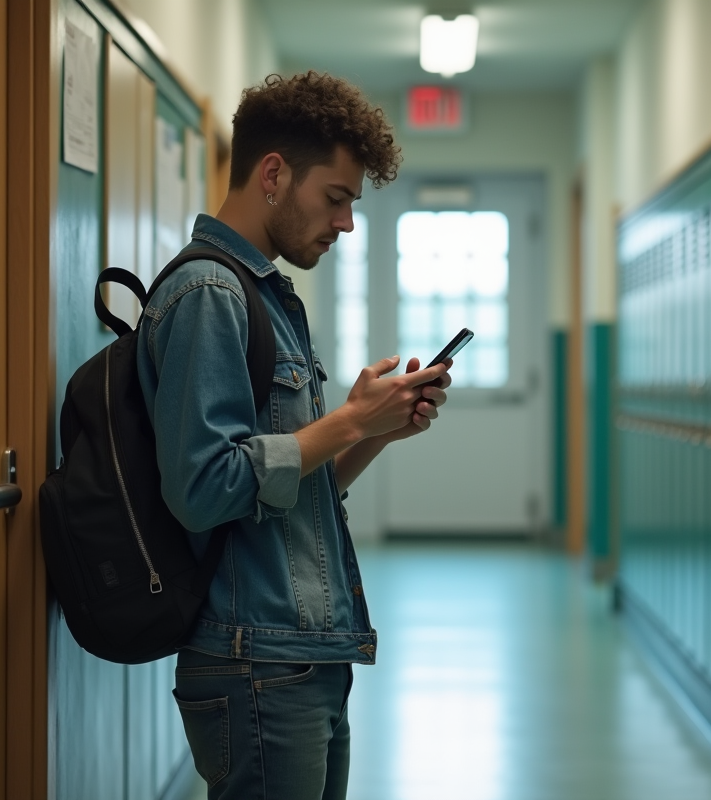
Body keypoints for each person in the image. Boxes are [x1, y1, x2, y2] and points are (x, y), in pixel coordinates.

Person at [137, 71, 451, 800]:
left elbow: (284, 492)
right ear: (273, 174)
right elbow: (202, 487)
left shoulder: (266, 297)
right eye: (336, 198)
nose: (345, 223)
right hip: (256, 659)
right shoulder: (211, 295)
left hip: (299, 652)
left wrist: (374, 432)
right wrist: (346, 420)